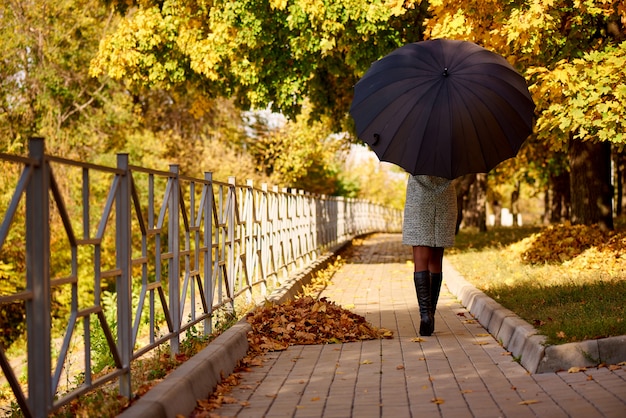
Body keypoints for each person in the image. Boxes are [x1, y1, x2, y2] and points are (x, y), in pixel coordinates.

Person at [402, 175, 457, 336]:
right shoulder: (451, 150)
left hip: (419, 196)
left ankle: (425, 315)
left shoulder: (414, 150)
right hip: (445, 196)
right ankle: (430, 314)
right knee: (436, 258)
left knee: (420, 257)